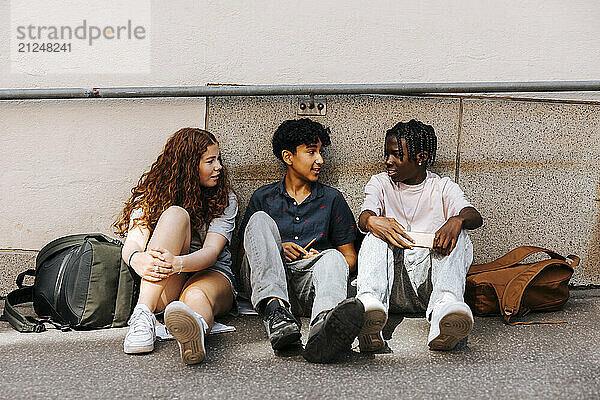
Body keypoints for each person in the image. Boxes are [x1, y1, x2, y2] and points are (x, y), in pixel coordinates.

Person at [238, 118, 364, 363]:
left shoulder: (331, 198)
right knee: (260, 220)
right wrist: (277, 248)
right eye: (311, 152)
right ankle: (277, 314)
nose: (320, 160)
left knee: (333, 256)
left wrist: (319, 259)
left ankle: (323, 326)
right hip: (268, 283)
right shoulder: (263, 197)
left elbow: (350, 258)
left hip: (310, 288)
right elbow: (245, 256)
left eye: (321, 152)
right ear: (288, 157)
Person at [354, 119, 483, 352]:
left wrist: (457, 220)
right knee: (374, 234)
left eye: (395, 155)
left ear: (420, 158)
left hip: (430, 287)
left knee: (460, 235)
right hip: (393, 285)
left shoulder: (442, 187)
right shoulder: (381, 183)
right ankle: (369, 309)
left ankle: (445, 314)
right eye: (386, 154)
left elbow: (474, 215)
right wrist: (372, 221)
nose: (388, 161)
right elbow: (365, 216)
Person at [114, 127, 238, 364]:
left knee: (196, 295)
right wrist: (136, 259)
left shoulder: (226, 198)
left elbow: (211, 253)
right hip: (166, 282)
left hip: (211, 274)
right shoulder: (152, 195)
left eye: (218, 159)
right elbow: (133, 243)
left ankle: (196, 331)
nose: (219, 167)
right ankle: (143, 316)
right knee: (175, 215)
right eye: (210, 161)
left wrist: (177, 263)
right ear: (189, 166)